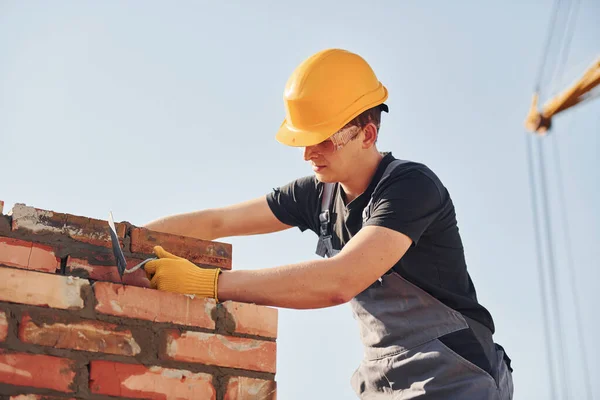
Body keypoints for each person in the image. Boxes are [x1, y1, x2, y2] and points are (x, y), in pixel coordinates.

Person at [144, 48, 514, 399]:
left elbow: (340, 280)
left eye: (322, 140)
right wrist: (134, 239)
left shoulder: (411, 188)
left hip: (456, 379)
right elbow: (218, 221)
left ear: (367, 134)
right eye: (304, 141)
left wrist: (207, 283)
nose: (307, 154)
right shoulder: (319, 193)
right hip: (385, 381)